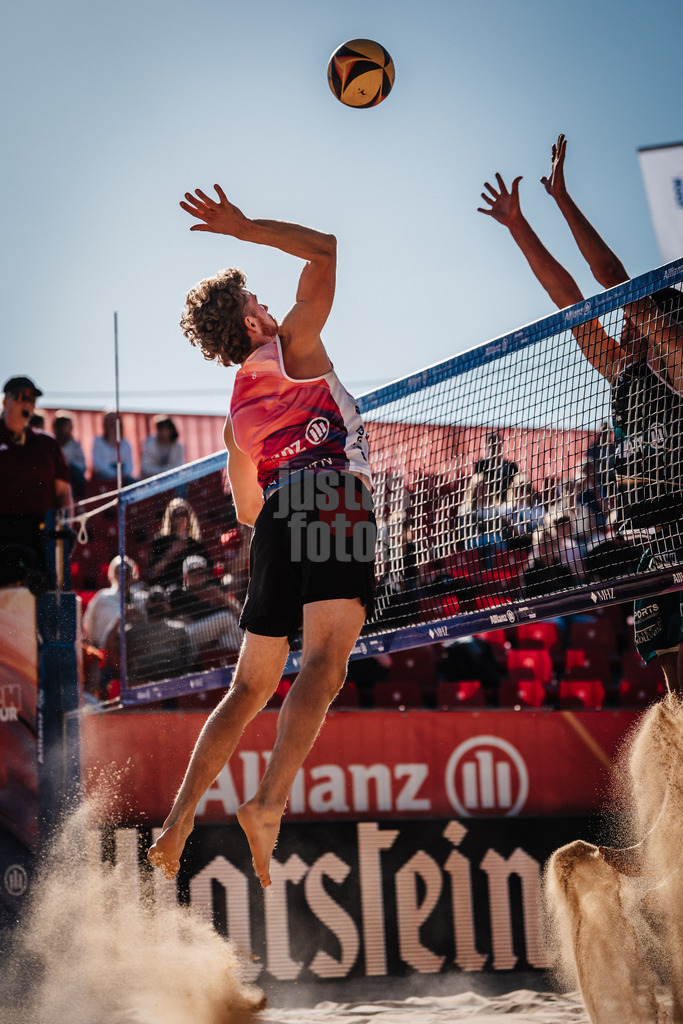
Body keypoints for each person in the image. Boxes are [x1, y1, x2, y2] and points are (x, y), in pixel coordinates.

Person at [148, 184, 375, 888]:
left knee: (248, 687)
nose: (269, 306)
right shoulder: (293, 345)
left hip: (277, 516)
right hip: (333, 495)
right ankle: (268, 801)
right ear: (250, 323)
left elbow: (246, 507)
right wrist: (243, 228)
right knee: (324, 665)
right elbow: (326, 251)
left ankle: (178, 820)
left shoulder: (235, 417)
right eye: (258, 302)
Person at [478, 134, 683, 691]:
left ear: (656, 323)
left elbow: (612, 278)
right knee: (672, 676)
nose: (622, 324)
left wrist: (565, 201)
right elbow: (570, 302)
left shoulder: (677, 364)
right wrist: (519, 226)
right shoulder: (623, 372)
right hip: (654, 535)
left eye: (632, 319)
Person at [0, 375, 72, 587]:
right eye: (21, 397)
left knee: (45, 591)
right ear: (5, 401)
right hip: (3, 529)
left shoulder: (47, 443)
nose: (27, 403)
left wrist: (65, 529)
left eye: (32, 399)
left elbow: (63, 492)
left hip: (42, 529)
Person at [147, 496, 211, 590]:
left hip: (193, 588)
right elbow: (152, 573)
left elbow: (209, 569)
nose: (181, 518)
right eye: (176, 515)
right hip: (167, 588)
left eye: (184, 514)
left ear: (189, 517)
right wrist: (171, 553)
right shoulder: (160, 542)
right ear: (170, 518)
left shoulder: (196, 544)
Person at [92, 410, 134, 485]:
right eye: (109, 421)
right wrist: (115, 474)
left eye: (114, 420)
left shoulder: (126, 443)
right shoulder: (98, 441)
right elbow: (98, 465)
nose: (112, 423)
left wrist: (123, 474)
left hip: (124, 479)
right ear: (105, 423)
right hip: (104, 479)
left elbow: (129, 466)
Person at [53, 410, 87, 500]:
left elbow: (82, 465)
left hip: (72, 479)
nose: (71, 429)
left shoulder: (75, 445)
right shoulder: (51, 443)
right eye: (68, 426)